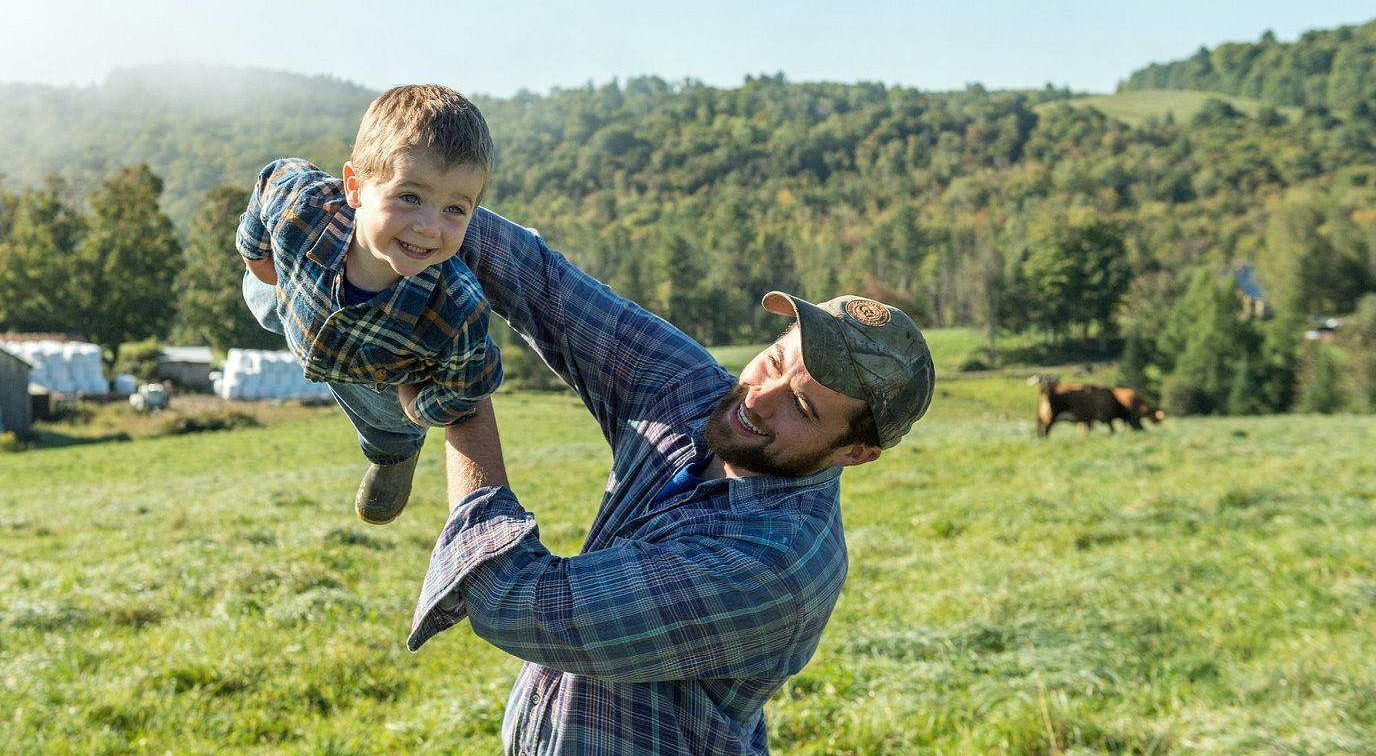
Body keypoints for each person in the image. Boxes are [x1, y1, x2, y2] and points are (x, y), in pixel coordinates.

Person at [407, 205, 935, 755]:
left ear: (857, 453)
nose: (759, 397)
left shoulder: (772, 564)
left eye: (801, 407)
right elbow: (541, 282)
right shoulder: (695, 395)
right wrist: (403, 210)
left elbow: (513, 600)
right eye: (776, 361)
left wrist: (461, 391)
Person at [236, 85, 502, 523]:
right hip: (296, 299)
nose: (429, 228)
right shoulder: (303, 210)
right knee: (259, 297)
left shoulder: (457, 309)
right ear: (355, 187)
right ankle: (276, 297)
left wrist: (418, 406)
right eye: (410, 197)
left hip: (377, 368)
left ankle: (394, 458)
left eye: (455, 209)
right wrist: (257, 255)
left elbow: (471, 383)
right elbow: (272, 178)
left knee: (389, 426)